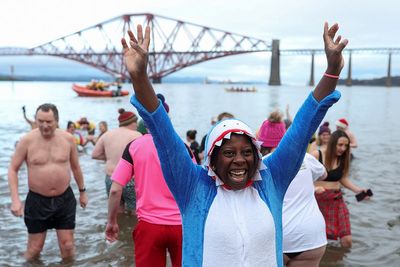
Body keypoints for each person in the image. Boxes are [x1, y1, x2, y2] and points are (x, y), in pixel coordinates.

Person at [121, 22, 346, 266]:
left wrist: (332, 70)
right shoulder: (194, 187)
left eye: (247, 152)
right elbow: (162, 132)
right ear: (212, 160)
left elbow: (304, 126)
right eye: (228, 152)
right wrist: (139, 76)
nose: (240, 159)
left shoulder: (271, 182)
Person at [8, 103, 88, 261]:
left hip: (64, 198)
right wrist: (15, 200)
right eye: (40, 121)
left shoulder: (68, 139)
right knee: (34, 249)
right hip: (37, 201)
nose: (44, 125)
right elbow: (13, 169)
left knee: (68, 246)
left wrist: (82, 192)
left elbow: (76, 167)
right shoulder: (26, 140)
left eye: (49, 122)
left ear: (57, 121)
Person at [105, 131, 193, 266]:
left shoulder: (134, 146)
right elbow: (195, 186)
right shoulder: (182, 146)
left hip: (149, 226)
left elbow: (115, 190)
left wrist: (111, 221)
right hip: (181, 226)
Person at [259, 111, 328, 266]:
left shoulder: (260, 167)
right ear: (285, 137)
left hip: (278, 237)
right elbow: (324, 175)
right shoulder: (305, 158)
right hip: (311, 236)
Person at [312, 130, 369, 248]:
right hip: (319, 201)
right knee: (319, 240)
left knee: (347, 240)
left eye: (346, 146)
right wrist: (314, 188)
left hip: (337, 200)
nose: (343, 149)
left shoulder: (342, 158)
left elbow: (342, 179)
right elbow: (300, 176)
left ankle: (341, 261)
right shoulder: (317, 155)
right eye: (340, 145)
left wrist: (358, 190)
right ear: (333, 143)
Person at [92, 108, 142, 213]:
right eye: (135, 122)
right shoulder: (137, 135)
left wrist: (109, 158)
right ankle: (129, 228)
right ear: (131, 123)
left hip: (111, 179)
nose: (137, 125)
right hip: (130, 181)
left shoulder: (107, 135)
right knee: (135, 212)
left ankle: (119, 228)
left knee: (117, 211)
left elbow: (95, 154)